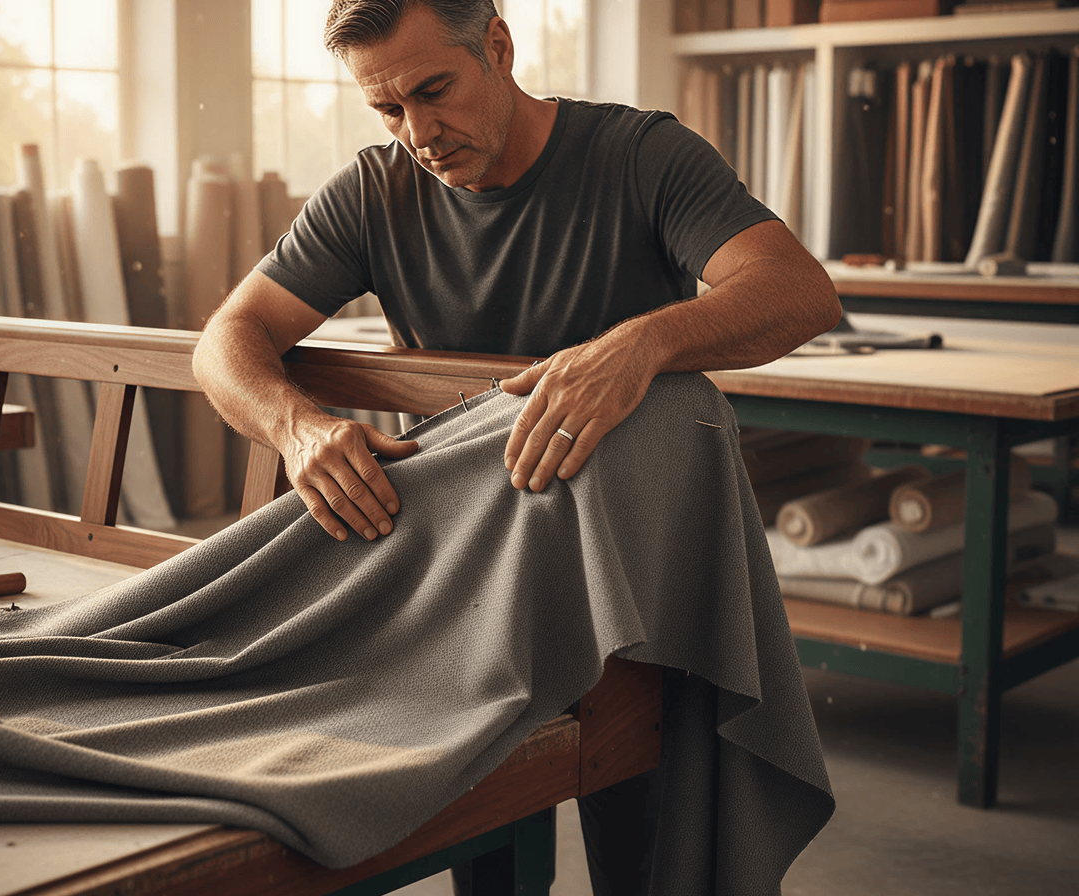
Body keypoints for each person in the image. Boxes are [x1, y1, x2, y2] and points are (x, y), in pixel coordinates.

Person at [193, 0, 841, 892]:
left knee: (644, 847)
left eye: (434, 91)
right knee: (488, 846)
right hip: (473, 577)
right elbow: (227, 337)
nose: (418, 132)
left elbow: (799, 291)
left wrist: (639, 345)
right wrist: (297, 428)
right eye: (388, 109)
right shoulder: (374, 190)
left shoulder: (640, 155)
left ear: (497, 45)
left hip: (626, 582)